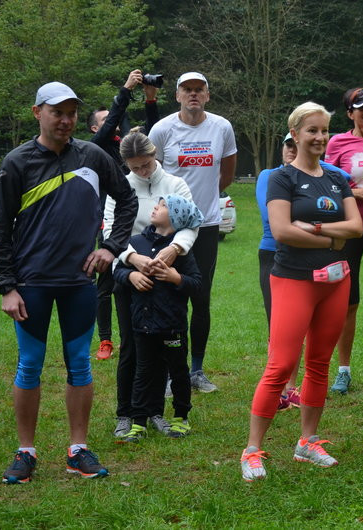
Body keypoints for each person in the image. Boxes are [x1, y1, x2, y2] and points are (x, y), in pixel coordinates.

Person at [0, 82, 138, 484]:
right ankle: (26, 452)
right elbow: (1, 228)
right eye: (58, 111)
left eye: (72, 112)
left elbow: (126, 200)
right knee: (29, 366)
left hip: (78, 282)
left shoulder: (91, 155)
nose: (66, 119)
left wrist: (110, 247)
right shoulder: (17, 162)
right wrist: (7, 286)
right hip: (31, 283)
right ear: (38, 112)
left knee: (79, 364)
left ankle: (78, 450)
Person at [240, 102, 362, 482]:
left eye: (324, 130)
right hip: (293, 280)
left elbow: (357, 226)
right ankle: (252, 449)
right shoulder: (281, 178)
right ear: (295, 133)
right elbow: (281, 232)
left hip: (335, 282)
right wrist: (330, 237)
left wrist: (313, 229)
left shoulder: (337, 178)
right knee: (280, 365)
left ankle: (307, 441)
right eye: (312, 130)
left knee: (320, 363)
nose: (320, 137)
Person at [104, 129, 199, 439]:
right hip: (129, 273)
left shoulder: (175, 184)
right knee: (132, 346)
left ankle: (154, 411)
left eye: (146, 164)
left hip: (165, 273)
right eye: (135, 167)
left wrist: (175, 248)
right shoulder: (120, 187)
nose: (142, 171)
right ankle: (126, 412)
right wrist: (132, 263)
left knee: (160, 348)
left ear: (155, 155)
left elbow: (191, 222)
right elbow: (110, 231)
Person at [149, 72, 237, 392]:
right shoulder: (162, 130)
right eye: (187, 90)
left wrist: (203, 206)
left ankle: (197, 370)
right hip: (170, 228)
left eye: (199, 90)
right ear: (177, 95)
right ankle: (174, 373)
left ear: (208, 96)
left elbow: (226, 173)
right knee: (171, 299)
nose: (193, 95)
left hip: (208, 225)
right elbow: (152, 176)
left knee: (200, 299)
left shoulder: (221, 127)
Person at [256, 132, 352, 410]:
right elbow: (278, 222)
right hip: (275, 254)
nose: (289, 149)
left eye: (291, 144)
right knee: (282, 329)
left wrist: (311, 224)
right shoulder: (271, 176)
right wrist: (332, 236)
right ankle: (283, 387)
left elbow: (347, 200)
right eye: (285, 144)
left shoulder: (331, 175)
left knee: (314, 338)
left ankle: (292, 388)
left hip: (320, 260)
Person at [113, 195, 203, 443]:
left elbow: (196, 284)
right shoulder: (135, 243)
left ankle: (181, 416)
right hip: (142, 324)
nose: (155, 207)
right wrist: (130, 277)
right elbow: (117, 271)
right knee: (143, 371)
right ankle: (139, 421)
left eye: (163, 206)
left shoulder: (180, 251)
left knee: (178, 371)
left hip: (172, 326)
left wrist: (176, 278)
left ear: (175, 218)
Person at [89, 69, 161, 361]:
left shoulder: (129, 144)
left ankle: (137, 332)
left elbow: (153, 133)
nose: (113, 123)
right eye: (106, 120)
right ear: (95, 128)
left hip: (141, 220)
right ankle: (105, 339)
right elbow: (111, 125)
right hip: (110, 220)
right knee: (106, 282)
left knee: (138, 277)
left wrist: (150, 99)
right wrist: (124, 90)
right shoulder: (99, 146)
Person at [325, 87, 363, 394]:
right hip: (349, 229)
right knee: (348, 303)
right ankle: (343, 370)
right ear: (350, 113)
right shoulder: (338, 142)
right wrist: (359, 194)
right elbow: (331, 180)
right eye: (361, 109)